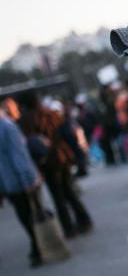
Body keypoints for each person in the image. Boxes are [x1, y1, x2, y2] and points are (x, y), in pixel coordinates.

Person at [15, 91, 93, 238]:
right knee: (68, 191)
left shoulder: (25, 121)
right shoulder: (52, 113)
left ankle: (68, 228)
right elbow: (68, 135)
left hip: (46, 162)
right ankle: (84, 220)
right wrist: (79, 156)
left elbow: (28, 146)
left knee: (58, 196)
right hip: (62, 157)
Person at [0, 98, 42, 267]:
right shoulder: (7, 126)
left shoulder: (7, 127)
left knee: (28, 215)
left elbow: (18, 156)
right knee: (29, 215)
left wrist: (25, 180)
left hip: (16, 182)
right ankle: (39, 245)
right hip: (16, 182)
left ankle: (38, 247)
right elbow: (17, 156)